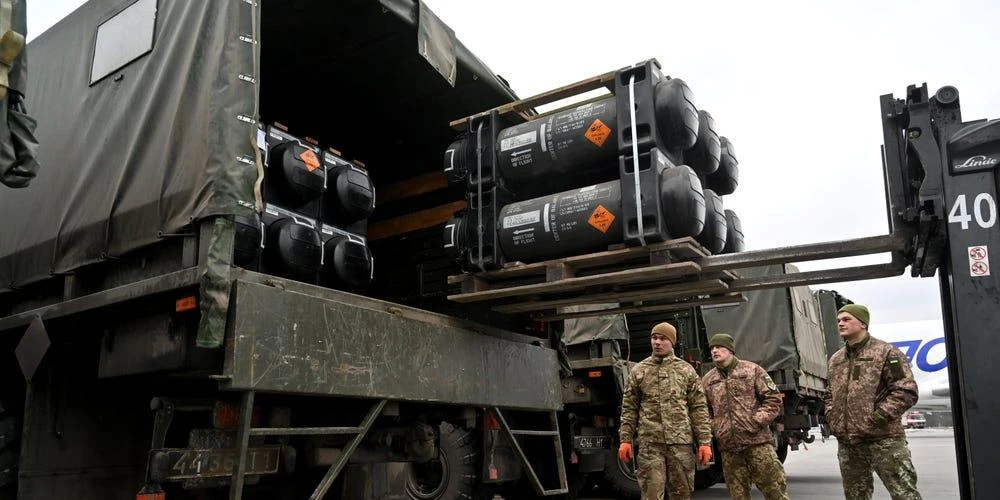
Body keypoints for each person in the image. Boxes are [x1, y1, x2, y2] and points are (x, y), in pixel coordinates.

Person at [825, 304, 922, 500]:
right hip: (849, 443)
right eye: (838, 320)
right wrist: (831, 415)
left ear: (863, 324)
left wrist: (877, 418)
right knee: (855, 496)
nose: (840, 323)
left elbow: (906, 390)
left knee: (904, 494)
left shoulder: (886, 352)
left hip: (883, 439)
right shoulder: (836, 359)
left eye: (846, 319)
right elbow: (829, 393)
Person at [618, 322, 713, 500]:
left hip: (680, 444)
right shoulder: (639, 371)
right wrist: (625, 439)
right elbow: (629, 408)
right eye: (654, 338)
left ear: (672, 342)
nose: (657, 342)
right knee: (651, 494)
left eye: (663, 338)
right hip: (650, 444)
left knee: (681, 494)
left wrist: (705, 442)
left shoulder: (686, 371)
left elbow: (698, 409)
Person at [701, 333, 788, 500]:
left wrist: (756, 422)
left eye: (719, 347)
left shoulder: (751, 370)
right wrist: (716, 427)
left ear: (731, 350)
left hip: (757, 444)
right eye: (712, 348)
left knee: (774, 490)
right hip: (729, 449)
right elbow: (703, 409)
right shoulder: (708, 379)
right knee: (738, 495)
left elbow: (773, 398)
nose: (715, 351)